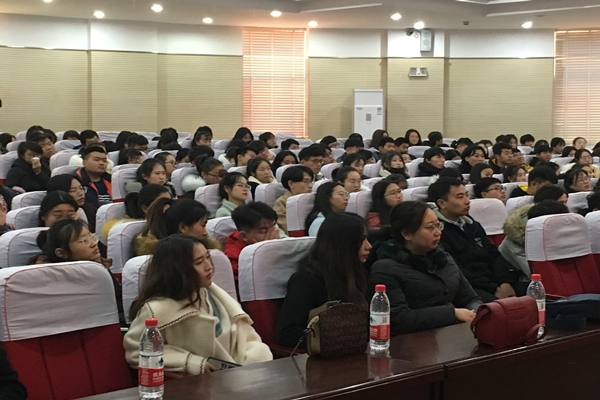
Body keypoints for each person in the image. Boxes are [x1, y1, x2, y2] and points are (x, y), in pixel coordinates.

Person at [126, 234, 272, 374]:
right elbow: (137, 352)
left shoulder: (212, 294)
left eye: (207, 257)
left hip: (239, 375)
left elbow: (246, 339)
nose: (208, 266)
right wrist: (190, 362)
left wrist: (256, 356)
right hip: (200, 383)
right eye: (199, 262)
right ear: (177, 269)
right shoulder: (156, 309)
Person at [369, 201, 481, 333]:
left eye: (438, 225)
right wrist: (452, 313)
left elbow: (470, 298)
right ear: (407, 234)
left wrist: (476, 313)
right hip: (415, 340)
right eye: (430, 227)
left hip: (453, 334)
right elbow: (398, 319)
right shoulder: (385, 269)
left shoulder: (443, 258)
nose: (438, 232)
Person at [276, 212, 371, 348]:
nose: (368, 246)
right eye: (361, 240)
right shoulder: (306, 280)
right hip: (326, 355)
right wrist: (335, 339)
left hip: (356, 351)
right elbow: (288, 334)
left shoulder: (357, 272)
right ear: (342, 243)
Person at [428, 178, 523, 303]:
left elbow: (494, 255)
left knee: (536, 293)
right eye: (460, 197)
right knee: (495, 306)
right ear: (442, 203)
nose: (467, 201)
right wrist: (494, 288)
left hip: (495, 281)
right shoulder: (436, 231)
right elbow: (455, 269)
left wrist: (505, 282)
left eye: (467, 195)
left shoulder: (472, 225)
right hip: (469, 287)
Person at [33, 218, 124, 325]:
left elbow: (118, 303)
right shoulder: (51, 277)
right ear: (61, 253)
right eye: (84, 241)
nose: (93, 244)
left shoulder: (99, 265)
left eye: (91, 237)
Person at [500, 185, 568, 279]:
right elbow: (535, 273)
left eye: (565, 202)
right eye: (561, 203)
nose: (565, 207)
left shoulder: (561, 224)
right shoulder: (518, 236)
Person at [224, 202, 281, 283]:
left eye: (273, 226)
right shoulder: (234, 259)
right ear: (244, 236)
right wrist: (267, 252)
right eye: (263, 230)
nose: (272, 233)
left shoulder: (278, 237)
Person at [135, 198, 213, 255]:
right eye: (203, 225)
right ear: (183, 227)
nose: (205, 233)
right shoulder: (166, 261)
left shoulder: (208, 250)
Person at [102, 184, 172, 240]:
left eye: (170, 203)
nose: (169, 207)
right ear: (145, 208)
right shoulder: (145, 238)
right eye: (163, 203)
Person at [273, 166, 314, 234]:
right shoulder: (282, 202)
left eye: (311, 181)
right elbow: (287, 229)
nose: (310, 186)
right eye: (306, 181)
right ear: (291, 184)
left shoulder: (312, 200)